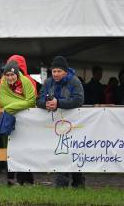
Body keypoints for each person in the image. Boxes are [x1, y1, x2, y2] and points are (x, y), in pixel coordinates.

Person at [36, 56, 85, 188]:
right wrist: (46, 104)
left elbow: (79, 100)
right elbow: (38, 100)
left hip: (73, 123)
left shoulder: (74, 81)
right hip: (53, 124)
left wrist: (58, 103)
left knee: (71, 151)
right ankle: (63, 183)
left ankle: (77, 181)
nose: (56, 74)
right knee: (59, 152)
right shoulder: (47, 83)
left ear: (65, 71)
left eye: (59, 71)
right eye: (54, 71)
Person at [0, 60, 36, 186]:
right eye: (7, 75)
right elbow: (2, 101)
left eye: (12, 75)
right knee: (9, 150)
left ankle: (27, 181)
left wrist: (10, 107)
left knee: (24, 149)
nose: (10, 77)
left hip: (25, 122)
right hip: (9, 121)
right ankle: (10, 180)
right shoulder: (3, 82)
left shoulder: (25, 81)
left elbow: (31, 101)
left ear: (17, 74)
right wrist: (21, 102)